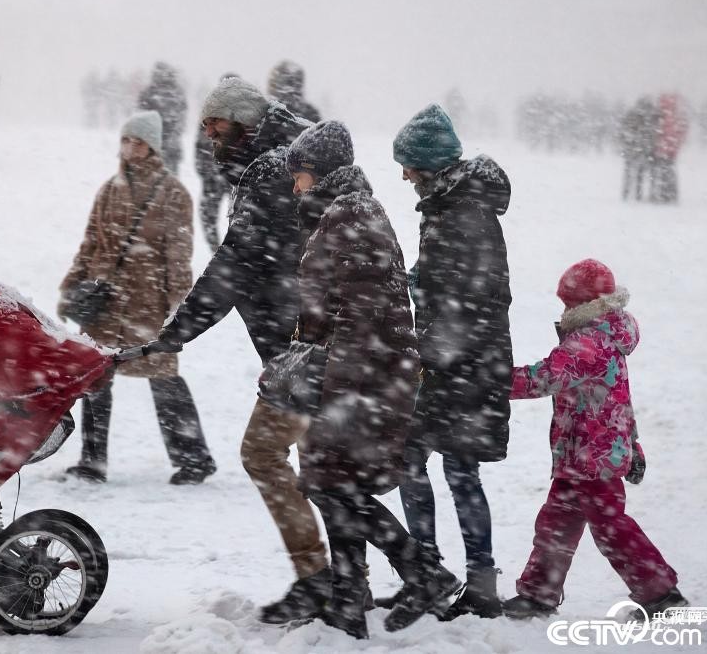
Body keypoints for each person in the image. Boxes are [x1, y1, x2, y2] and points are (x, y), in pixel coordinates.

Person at [144, 78, 329, 623]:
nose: (208, 133)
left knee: (268, 456)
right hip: (305, 344)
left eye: (216, 122)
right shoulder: (274, 162)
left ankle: (330, 579)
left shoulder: (271, 170)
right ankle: (340, 580)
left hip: (304, 349)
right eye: (203, 124)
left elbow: (235, 265)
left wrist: (174, 335)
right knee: (320, 469)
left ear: (244, 121)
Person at [284, 121, 460, 638]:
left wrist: (330, 386)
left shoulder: (352, 217)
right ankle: (348, 600)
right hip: (359, 375)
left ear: (320, 174)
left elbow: (361, 320)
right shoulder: (344, 213)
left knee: (330, 485)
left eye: (301, 174)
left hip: (363, 380)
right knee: (340, 484)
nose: (295, 185)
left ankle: (422, 572)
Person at [501, 260, 687, 619]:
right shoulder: (605, 334)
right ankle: (539, 593)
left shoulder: (590, 342)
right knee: (556, 522)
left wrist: (488, 380)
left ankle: (663, 596)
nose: (565, 309)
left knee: (611, 528)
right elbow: (622, 401)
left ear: (585, 303)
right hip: (581, 456)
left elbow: (542, 378)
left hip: (592, 458)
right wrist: (633, 446)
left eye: (569, 302)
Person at [383, 104, 513, 620]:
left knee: (446, 467)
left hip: (463, 365)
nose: (404, 175)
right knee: (428, 464)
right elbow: (446, 284)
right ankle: (438, 573)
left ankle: (458, 579)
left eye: (409, 165)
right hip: (458, 361)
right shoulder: (450, 206)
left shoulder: (461, 212)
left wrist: (429, 351)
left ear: (430, 165)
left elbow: (473, 296)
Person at [58, 110, 216, 485]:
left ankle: (194, 459)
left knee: (164, 380)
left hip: (149, 305)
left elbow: (179, 257)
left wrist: (179, 310)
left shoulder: (173, 193)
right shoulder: (109, 190)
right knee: (95, 381)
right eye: (126, 140)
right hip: (104, 304)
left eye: (138, 142)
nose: (130, 148)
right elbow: (91, 243)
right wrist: (72, 286)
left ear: (153, 147)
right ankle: (92, 461)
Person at [194, 73, 238, 252]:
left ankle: (223, 250)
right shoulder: (210, 116)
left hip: (229, 176)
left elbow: (200, 147)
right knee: (210, 216)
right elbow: (200, 146)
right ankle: (221, 250)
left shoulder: (244, 119)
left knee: (213, 216)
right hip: (222, 175)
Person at [138, 62, 188, 175]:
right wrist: (175, 134)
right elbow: (182, 117)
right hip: (170, 144)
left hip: (153, 143)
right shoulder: (177, 92)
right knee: (171, 179)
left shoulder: (149, 92)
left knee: (151, 180)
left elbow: (141, 117)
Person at [618, 97, 657, 202]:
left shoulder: (638, 116)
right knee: (638, 173)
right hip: (640, 150)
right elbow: (650, 135)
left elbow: (624, 133)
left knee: (633, 173)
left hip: (636, 150)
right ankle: (635, 194)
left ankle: (629, 193)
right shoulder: (648, 117)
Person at [650, 94, 688, 204]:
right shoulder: (675, 116)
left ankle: (664, 194)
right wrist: (676, 145)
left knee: (663, 172)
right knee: (669, 172)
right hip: (670, 150)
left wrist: (658, 145)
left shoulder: (661, 116)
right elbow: (681, 133)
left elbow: (656, 133)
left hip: (662, 149)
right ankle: (670, 194)